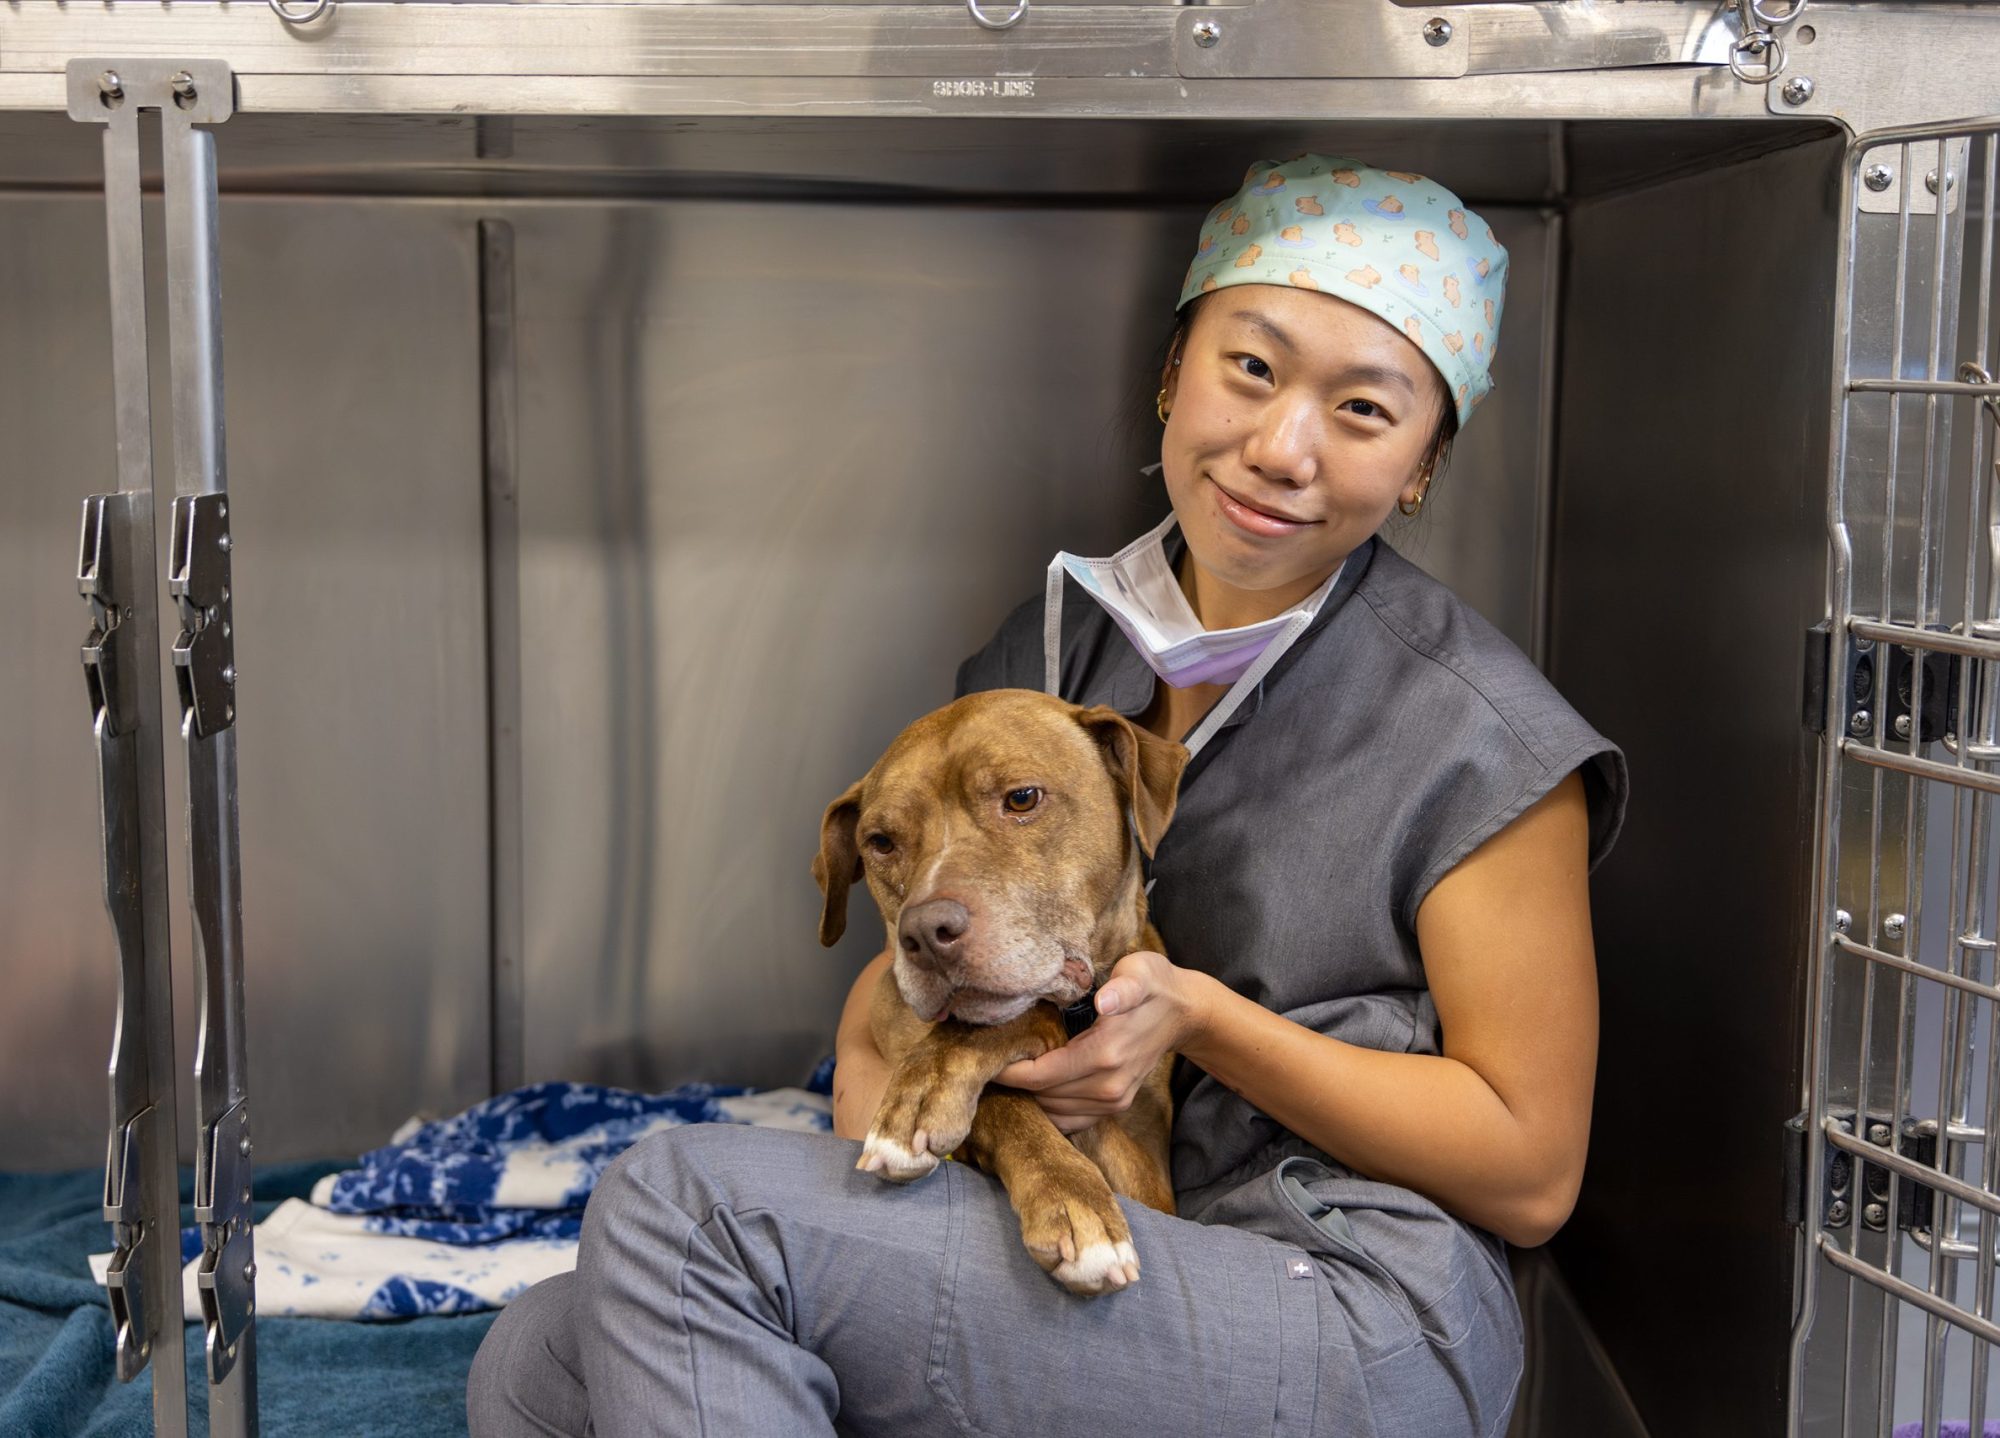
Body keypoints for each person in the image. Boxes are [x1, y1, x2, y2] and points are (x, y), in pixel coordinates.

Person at [467, 153, 1627, 1438]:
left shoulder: (1480, 738)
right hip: (1084, 1230)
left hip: (1351, 1306)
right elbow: (890, 1014)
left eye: (1362, 409)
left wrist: (1197, 1021)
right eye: (1250, 367)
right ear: (1171, 372)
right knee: (542, 1355)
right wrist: (933, 1114)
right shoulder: (1059, 648)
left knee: (682, 1208)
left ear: (1421, 462)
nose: (1279, 448)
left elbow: (1530, 1175)